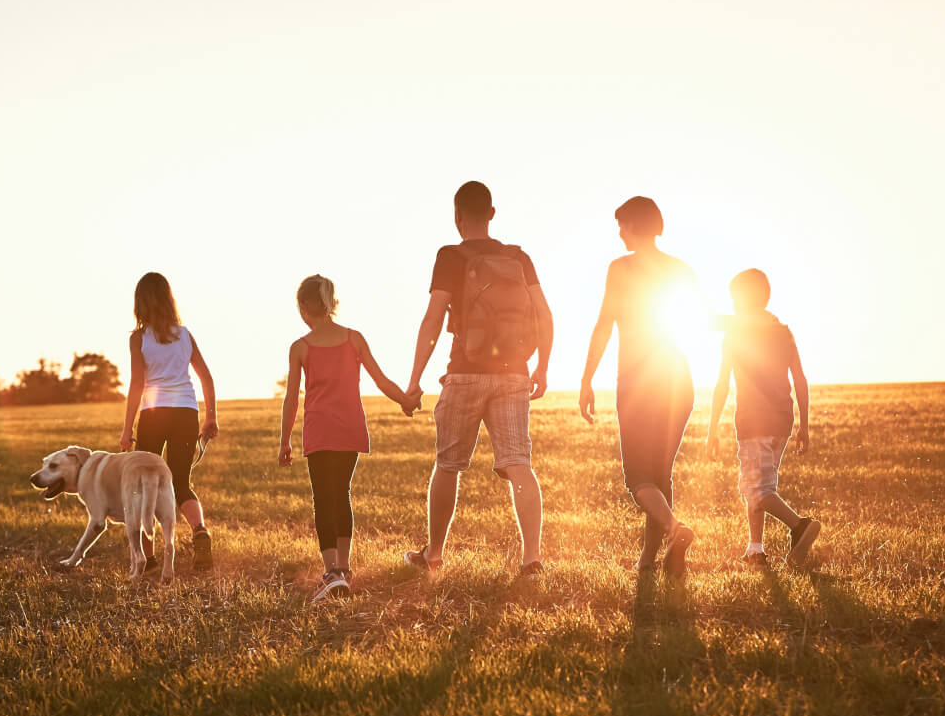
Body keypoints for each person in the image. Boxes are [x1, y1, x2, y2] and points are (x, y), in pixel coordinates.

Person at [402, 181, 554, 578]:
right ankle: (531, 559)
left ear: (457, 217)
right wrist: (543, 367)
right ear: (491, 213)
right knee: (519, 462)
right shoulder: (518, 257)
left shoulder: (451, 256)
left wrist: (414, 380)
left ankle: (433, 555)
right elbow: (545, 313)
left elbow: (433, 319)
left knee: (448, 464)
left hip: (465, 372)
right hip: (514, 374)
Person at [579, 196, 700, 577]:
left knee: (638, 479)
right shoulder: (680, 268)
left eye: (622, 225)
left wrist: (586, 379)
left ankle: (674, 529)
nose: (618, 232)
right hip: (679, 379)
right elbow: (705, 319)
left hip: (639, 383)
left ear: (634, 224)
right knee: (661, 475)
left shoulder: (621, 269)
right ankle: (650, 562)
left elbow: (603, 325)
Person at [278, 275, 418, 601]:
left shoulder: (300, 347)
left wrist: (285, 441)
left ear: (303, 308)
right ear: (332, 303)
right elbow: (381, 379)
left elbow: (291, 399)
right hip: (349, 429)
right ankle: (343, 569)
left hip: (319, 430)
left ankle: (330, 573)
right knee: (341, 494)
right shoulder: (353, 339)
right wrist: (406, 401)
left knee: (323, 499)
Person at [705, 268, 819, 568]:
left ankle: (800, 526)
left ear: (741, 299)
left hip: (753, 423)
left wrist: (712, 427)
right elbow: (800, 380)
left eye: (733, 298)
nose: (732, 304)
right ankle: (756, 549)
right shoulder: (783, 332)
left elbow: (722, 384)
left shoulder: (736, 333)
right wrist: (804, 426)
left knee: (757, 489)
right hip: (783, 421)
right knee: (759, 484)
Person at [119, 272, 219, 571]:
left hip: (154, 413)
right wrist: (211, 416)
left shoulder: (139, 338)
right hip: (186, 412)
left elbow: (137, 384)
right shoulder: (184, 334)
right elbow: (206, 377)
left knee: (143, 483)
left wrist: (127, 430)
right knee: (180, 480)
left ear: (141, 303)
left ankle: (147, 558)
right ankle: (200, 531)